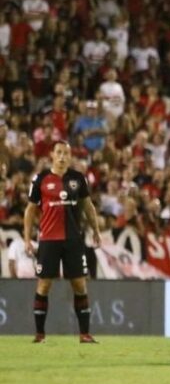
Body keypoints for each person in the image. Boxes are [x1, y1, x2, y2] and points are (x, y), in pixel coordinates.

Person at [23, 141, 101, 343]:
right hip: (48, 240)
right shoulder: (40, 179)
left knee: (79, 285)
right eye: (58, 152)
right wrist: (27, 239)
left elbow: (88, 206)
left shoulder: (78, 178)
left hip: (74, 240)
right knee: (44, 285)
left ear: (70, 156)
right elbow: (30, 210)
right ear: (52, 154)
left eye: (66, 153)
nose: (62, 156)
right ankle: (40, 335)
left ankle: (84, 334)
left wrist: (96, 231)